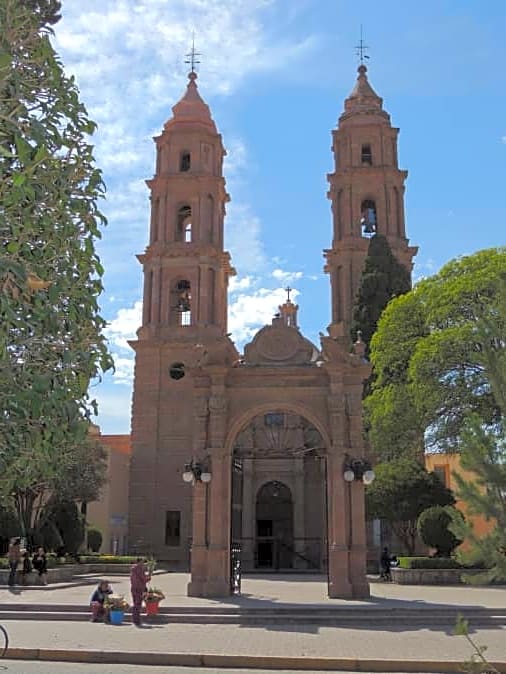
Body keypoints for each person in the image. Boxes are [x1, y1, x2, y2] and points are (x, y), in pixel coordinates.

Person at [130, 558, 150, 627]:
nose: (143, 564)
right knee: (138, 605)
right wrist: (148, 578)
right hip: (139, 589)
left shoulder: (133, 569)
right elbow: (143, 579)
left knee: (135, 604)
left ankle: (135, 620)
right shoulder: (139, 569)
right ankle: (137, 621)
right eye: (142, 562)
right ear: (138, 562)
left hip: (133, 588)